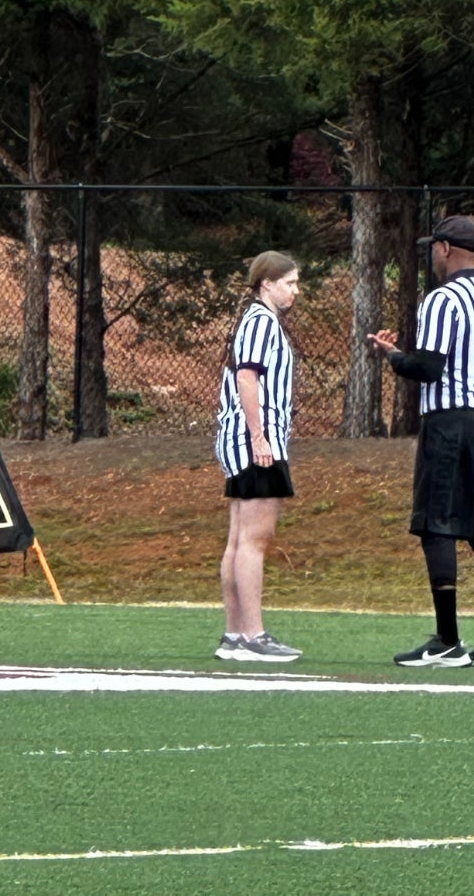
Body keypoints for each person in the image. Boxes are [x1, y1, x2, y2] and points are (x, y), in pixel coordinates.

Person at [367, 215, 474, 668]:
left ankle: (448, 640)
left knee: (438, 525)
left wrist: (393, 356)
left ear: (444, 249)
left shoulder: (443, 300)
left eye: (432, 249)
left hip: (450, 422)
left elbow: (429, 368)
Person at [213, 250, 302, 662]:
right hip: (255, 443)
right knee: (254, 538)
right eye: (289, 283)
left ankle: (235, 634)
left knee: (238, 538)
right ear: (267, 283)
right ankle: (252, 634)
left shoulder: (257, 321)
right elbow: (248, 377)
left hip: (246, 440)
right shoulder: (261, 321)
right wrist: (259, 436)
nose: (295, 292)